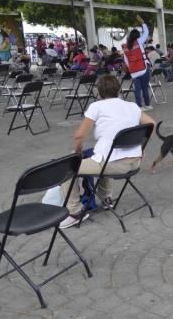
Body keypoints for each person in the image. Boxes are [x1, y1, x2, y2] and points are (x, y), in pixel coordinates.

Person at [59, 75, 156, 228]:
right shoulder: (132, 106)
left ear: (98, 92)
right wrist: (141, 148)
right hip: (134, 163)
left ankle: (74, 211)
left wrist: (77, 153)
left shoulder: (97, 106)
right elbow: (152, 124)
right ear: (119, 91)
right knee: (100, 155)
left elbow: (79, 135)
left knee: (67, 168)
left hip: (112, 164)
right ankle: (106, 198)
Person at [122, 15, 153, 111]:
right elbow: (146, 32)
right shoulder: (139, 42)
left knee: (137, 89)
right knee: (145, 87)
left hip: (133, 70)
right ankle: (147, 105)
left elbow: (126, 60)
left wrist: (130, 67)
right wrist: (142, 22)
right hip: (143, 68)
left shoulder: (125, 47)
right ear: (137, 36)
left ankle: (139, 106)